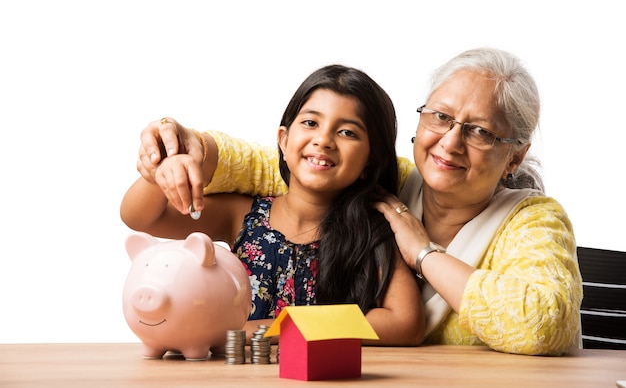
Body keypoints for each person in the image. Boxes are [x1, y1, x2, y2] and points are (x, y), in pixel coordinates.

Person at [134, 48, 583, 356]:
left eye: (480, 131)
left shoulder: (532, 221)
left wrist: (423, 253)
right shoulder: (388, 186)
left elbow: (540, 323)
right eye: (441, 117)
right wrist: (187, 149)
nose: (450, 142)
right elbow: (279, 165)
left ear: (516, 155)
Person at [121, 64, 425, 347]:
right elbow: (143, 217)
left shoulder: (371, 231)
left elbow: (406, 323)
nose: (324, 140)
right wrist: (162, 167)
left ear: (369, 162)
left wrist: (272, 328)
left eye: (347, 132)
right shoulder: (243, 216)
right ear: (283, 139)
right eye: (310, 122)